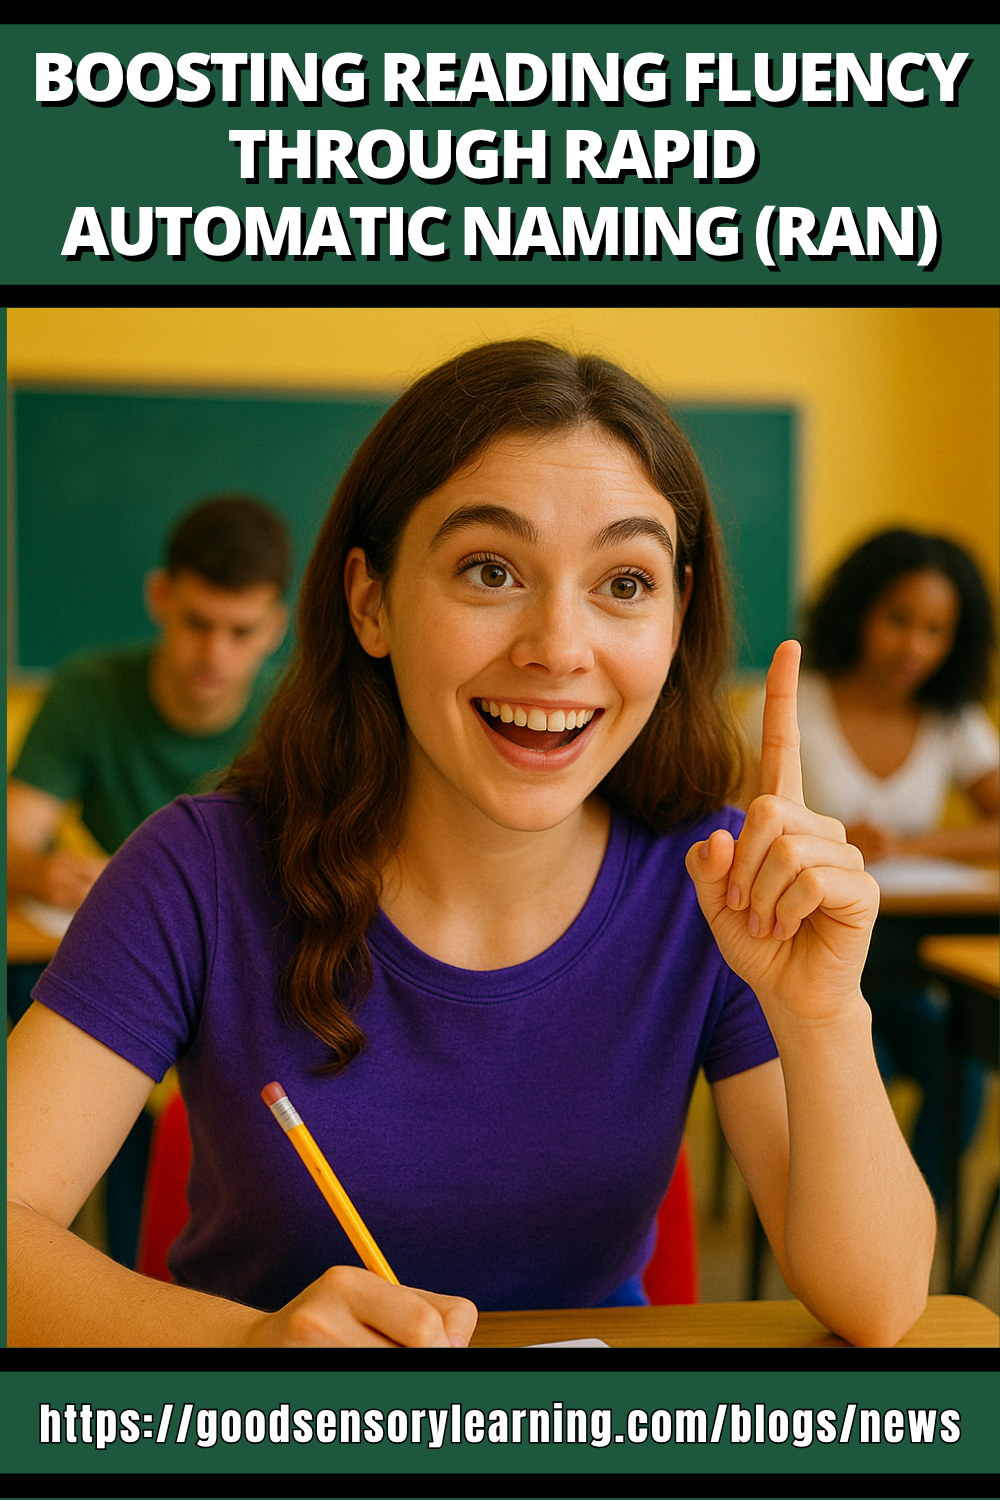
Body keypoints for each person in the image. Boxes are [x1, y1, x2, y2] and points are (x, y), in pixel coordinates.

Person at [8, 341, 935, 1349]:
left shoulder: (715, 881)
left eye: (624, 582)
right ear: (371, 603)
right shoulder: (197, 871)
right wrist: (247, 1351)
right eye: (490, 570)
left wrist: (824, 1014)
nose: (558, 647)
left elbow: (880, 1307)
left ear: (675, 621)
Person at [7, 493, 292, 1264]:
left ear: (276, 627)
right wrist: (43, 869)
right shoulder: (92, 689)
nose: (217, 655)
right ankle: (54, 1244)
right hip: (109, 955)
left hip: (232, 960)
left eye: (242, 632)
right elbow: (13, 836)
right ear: (161, 598)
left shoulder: (294, 719)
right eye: (199, 623)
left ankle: (146, 1256)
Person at [739, 528, 999, 1205]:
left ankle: (916, 1224)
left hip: (910, 967)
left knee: (961, 1078)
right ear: (857, 609)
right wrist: (829, 840)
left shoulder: (954, 720)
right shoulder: (793, 704)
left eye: (937, 629)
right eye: (899, 619)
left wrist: (911, 847)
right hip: (806, 965)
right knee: (862, 1077)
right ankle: (860, 1219)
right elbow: (729, 824)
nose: (916, 645)